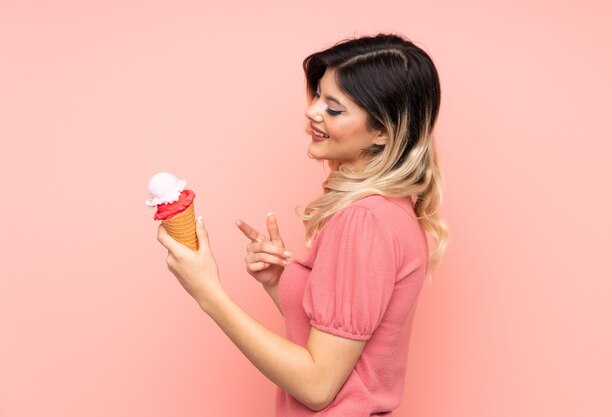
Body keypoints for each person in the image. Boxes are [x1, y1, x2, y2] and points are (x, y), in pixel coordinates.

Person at [157, 32, 448, 416]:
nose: (313, 112)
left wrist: (208, 292)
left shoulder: (364, 221)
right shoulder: (386, 211)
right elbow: (343, 349)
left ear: (382, 132)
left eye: (335, 108)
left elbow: (317, 386)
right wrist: (280, 280)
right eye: (318, 98)